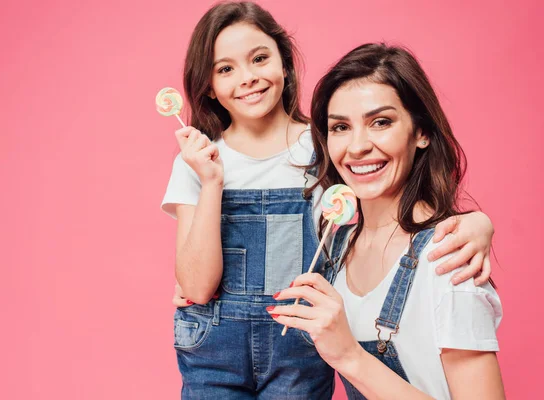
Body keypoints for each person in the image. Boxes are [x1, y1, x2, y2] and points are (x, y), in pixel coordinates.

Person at [162, 2, 494, 398]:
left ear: (285, 63)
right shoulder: (197, 161)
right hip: (215, 349)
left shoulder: (325, 145)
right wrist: (212, 181)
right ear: (208, 85)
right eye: (225, 68)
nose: (247, 78)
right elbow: (196, 287)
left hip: (301, 346)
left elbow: (392, 200)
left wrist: (477, 224)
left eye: (260, 58)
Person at [268, 43, 504, 399]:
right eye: (341, 127)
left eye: (381, 122)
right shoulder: (338, 245)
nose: (358, 146)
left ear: (421, 132)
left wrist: (349, 356)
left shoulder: (448, 259)